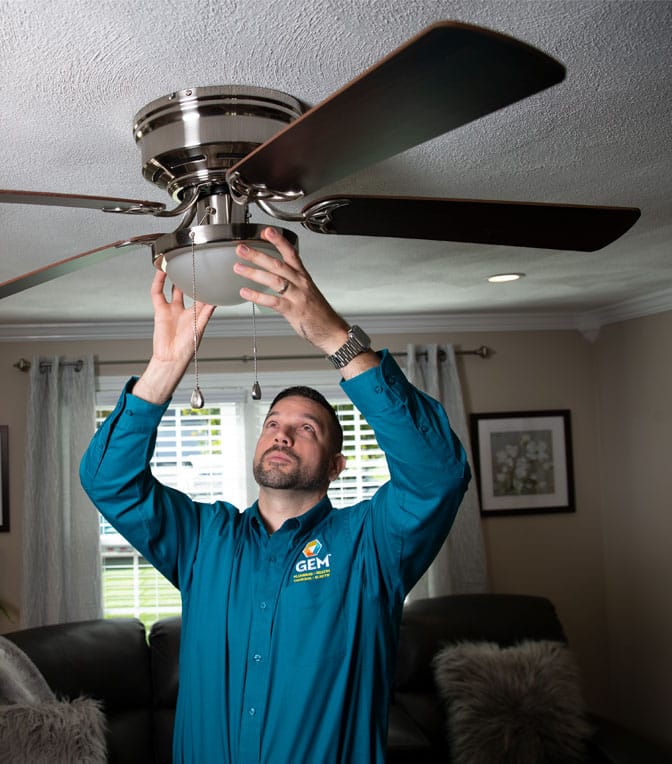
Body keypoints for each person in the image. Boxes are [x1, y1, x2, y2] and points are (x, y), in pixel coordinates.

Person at [80, 226, 470, 764]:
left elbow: (439, 474)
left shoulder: (372, 546)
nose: (282, 434)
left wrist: (336, 338)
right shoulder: (203, 541)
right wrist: (166, 367)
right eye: (273, 422)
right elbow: (107, 481)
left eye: (306, 428)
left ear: (336, 466)